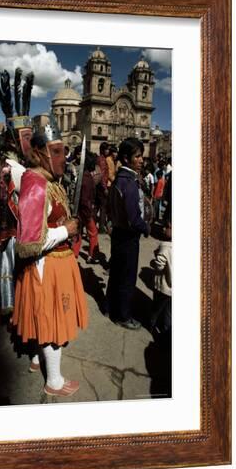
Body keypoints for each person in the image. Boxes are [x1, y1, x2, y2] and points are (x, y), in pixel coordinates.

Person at [11, 119, 88, 397]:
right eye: (56, 152)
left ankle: (35, 359)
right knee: (52, 321)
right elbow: (30, 242)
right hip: (48, 263)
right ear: (41, 153)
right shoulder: (36, 185)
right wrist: (64, 230)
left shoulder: (49, 180)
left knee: (43, 316)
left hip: (59, 260)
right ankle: (53, 381)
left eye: (62, 151)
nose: (63, 157)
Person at [0, 68, 32, 316]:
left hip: (4, 230)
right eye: (25, 138)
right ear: (17, 142)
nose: (30, 143)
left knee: (6, 267)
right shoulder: (17, 170)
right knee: (16, 271)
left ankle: (7, 304)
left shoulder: (2, 164)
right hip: (15, 231)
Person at [106, 137, 150, 330]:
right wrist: (146, 228)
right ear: (126, 158)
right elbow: (133, 218)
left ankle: (109, 307)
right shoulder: (129, 183)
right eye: (138, 156)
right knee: (127, 278)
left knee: (116, 273)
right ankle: (123, 315)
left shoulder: (119, 180)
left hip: (117, 233)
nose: (141, 160)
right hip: (128, 237)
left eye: (141, 156)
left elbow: (110, 208)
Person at [72, 152, 101, 263]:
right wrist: (89, 214)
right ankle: (92, 255)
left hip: (80, 210)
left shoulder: (83, 176)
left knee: (78, 234)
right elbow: (85, 199)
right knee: (93, 233)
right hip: (86, 211)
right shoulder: (87, 178)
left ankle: (74, 254)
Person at [150, 222, 172, 338]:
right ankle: (166, 332)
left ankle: (151, 325)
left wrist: (153, 261)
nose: (164, 228)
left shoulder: (166, 247)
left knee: (156, 309)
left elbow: (159, 265)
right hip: (172, 290)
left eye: (168, 227)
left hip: (162, 287)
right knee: (168, 313)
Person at [96, 141, 110, 232]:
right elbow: (101, 175)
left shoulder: (101, 159)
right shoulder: (101, 160)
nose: (108, 151)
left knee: (97, 207)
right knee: (103, 207)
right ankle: (101, 227)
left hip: (99, 186)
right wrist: (104, 188)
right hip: (101, 187)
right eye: (107, 149)